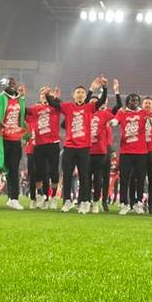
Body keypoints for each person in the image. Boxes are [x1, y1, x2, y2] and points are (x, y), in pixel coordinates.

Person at [49, 78, 105, 213]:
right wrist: (47, 95)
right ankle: (67, 201)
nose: (80, 94)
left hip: (84, 148)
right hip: (69, 147)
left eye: (82, 92)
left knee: (84, 176)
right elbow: (54, 104)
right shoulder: (68, 107)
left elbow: (102, 101)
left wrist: (104, 88)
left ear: (85, 96)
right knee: (67, 175)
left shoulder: (89, 107)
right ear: (73, 95)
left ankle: (85, 202)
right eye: (77, 92)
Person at [0, 78, 27, 210]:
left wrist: (26, 137)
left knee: (14, 170)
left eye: (14, 84)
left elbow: (23, 120)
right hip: (1, 139)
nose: (12, 86)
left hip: (15, 140)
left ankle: (13, 199)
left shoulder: (21, 100)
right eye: (10, 84)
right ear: (5, 86)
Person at [110, 82, 150, 215]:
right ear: (127, 102)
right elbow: (115, 121)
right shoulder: (122, 113)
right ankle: (124, 204)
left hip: (141, 152)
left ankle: (139, 203)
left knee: (140, 179)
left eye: (137, 100)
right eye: (132, 100)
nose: (135, 102)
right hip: (126, 152)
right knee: (125, 179)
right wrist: (112, 122)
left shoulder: (144, 113)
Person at [25, 87, 62, 208]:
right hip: (39, 144)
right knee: (38, 173)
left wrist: (54, 97)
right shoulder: (35, 108)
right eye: (42, 94)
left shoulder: (55, 106)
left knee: (54, 172)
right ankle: (40, 195)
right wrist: (21, 97)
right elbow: (23, 111)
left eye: (47, 94)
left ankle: (53, 198)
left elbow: (59, 105)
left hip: (53, 143)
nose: (44, 95)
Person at [89, 81, 116, 212]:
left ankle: (104, 200)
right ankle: (88, 199)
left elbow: (117, 110)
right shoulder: (88, 115)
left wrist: (115, 91)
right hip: (90, 148)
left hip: (106, 148)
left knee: (104, 176)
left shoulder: (106, 113)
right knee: (88, 176)